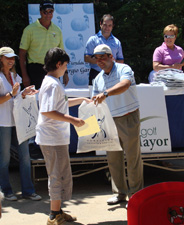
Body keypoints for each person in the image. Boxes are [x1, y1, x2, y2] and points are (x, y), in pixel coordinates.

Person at [35, 47, 91, 224]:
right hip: (51, 138)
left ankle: (57, 210)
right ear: (58, 64)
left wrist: (81, 100)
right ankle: (53, 215)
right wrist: (73, 120)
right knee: (56, 174)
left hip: (56, 137)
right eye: (65, 65)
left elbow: (62, 104)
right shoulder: (51, 84)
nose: (66, 68)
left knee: (60, 173)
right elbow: (47, 111)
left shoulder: (53, 82)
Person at [0, 47, 41, 201]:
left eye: (13, 58)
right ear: (0, 58)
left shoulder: (14, 76)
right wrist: (13, 93)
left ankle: (28, 191)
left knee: (25, 156)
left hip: (18, 120)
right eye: (7, 58)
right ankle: (5, 191)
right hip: (2, 121)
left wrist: (23, 93)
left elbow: (16, 100)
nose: (11, 61)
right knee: (5, 158)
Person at [91, 44, 143, 205]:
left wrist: (106, 93)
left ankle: (135, 195)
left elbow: (125, 84)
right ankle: (120, 193)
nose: (99, 61)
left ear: (111, 57)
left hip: (128, 117)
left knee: (133, 158)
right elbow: (94, 103)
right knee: (113, 159)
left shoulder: (123, 69)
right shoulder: (98, 79)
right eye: (96, 58)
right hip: (109, 121)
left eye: (103, 57)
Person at [19, 0, 68, 89]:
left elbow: (62, 54)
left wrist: (65, 73)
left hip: (54, 69)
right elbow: (22, 54)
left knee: (53, 99)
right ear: (40, 12)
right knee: (36, 100)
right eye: (45, 12)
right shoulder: (29, 30)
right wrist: (24, 75)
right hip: (35, 70)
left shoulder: (57, 30)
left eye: (51, 12)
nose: (48, 15)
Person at [84, 14, 124, 85]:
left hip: (113, 74)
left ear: (112, 26)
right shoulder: (93, 40)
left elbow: (121, 60)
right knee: (95, 96)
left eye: (109, 25)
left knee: (113, 95)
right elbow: (87, 58)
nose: (107, 28)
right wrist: (101, 61)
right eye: (105, 25)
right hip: (96, 73)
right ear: (100, 24)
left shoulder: (117, 42)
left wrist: (112, 62)